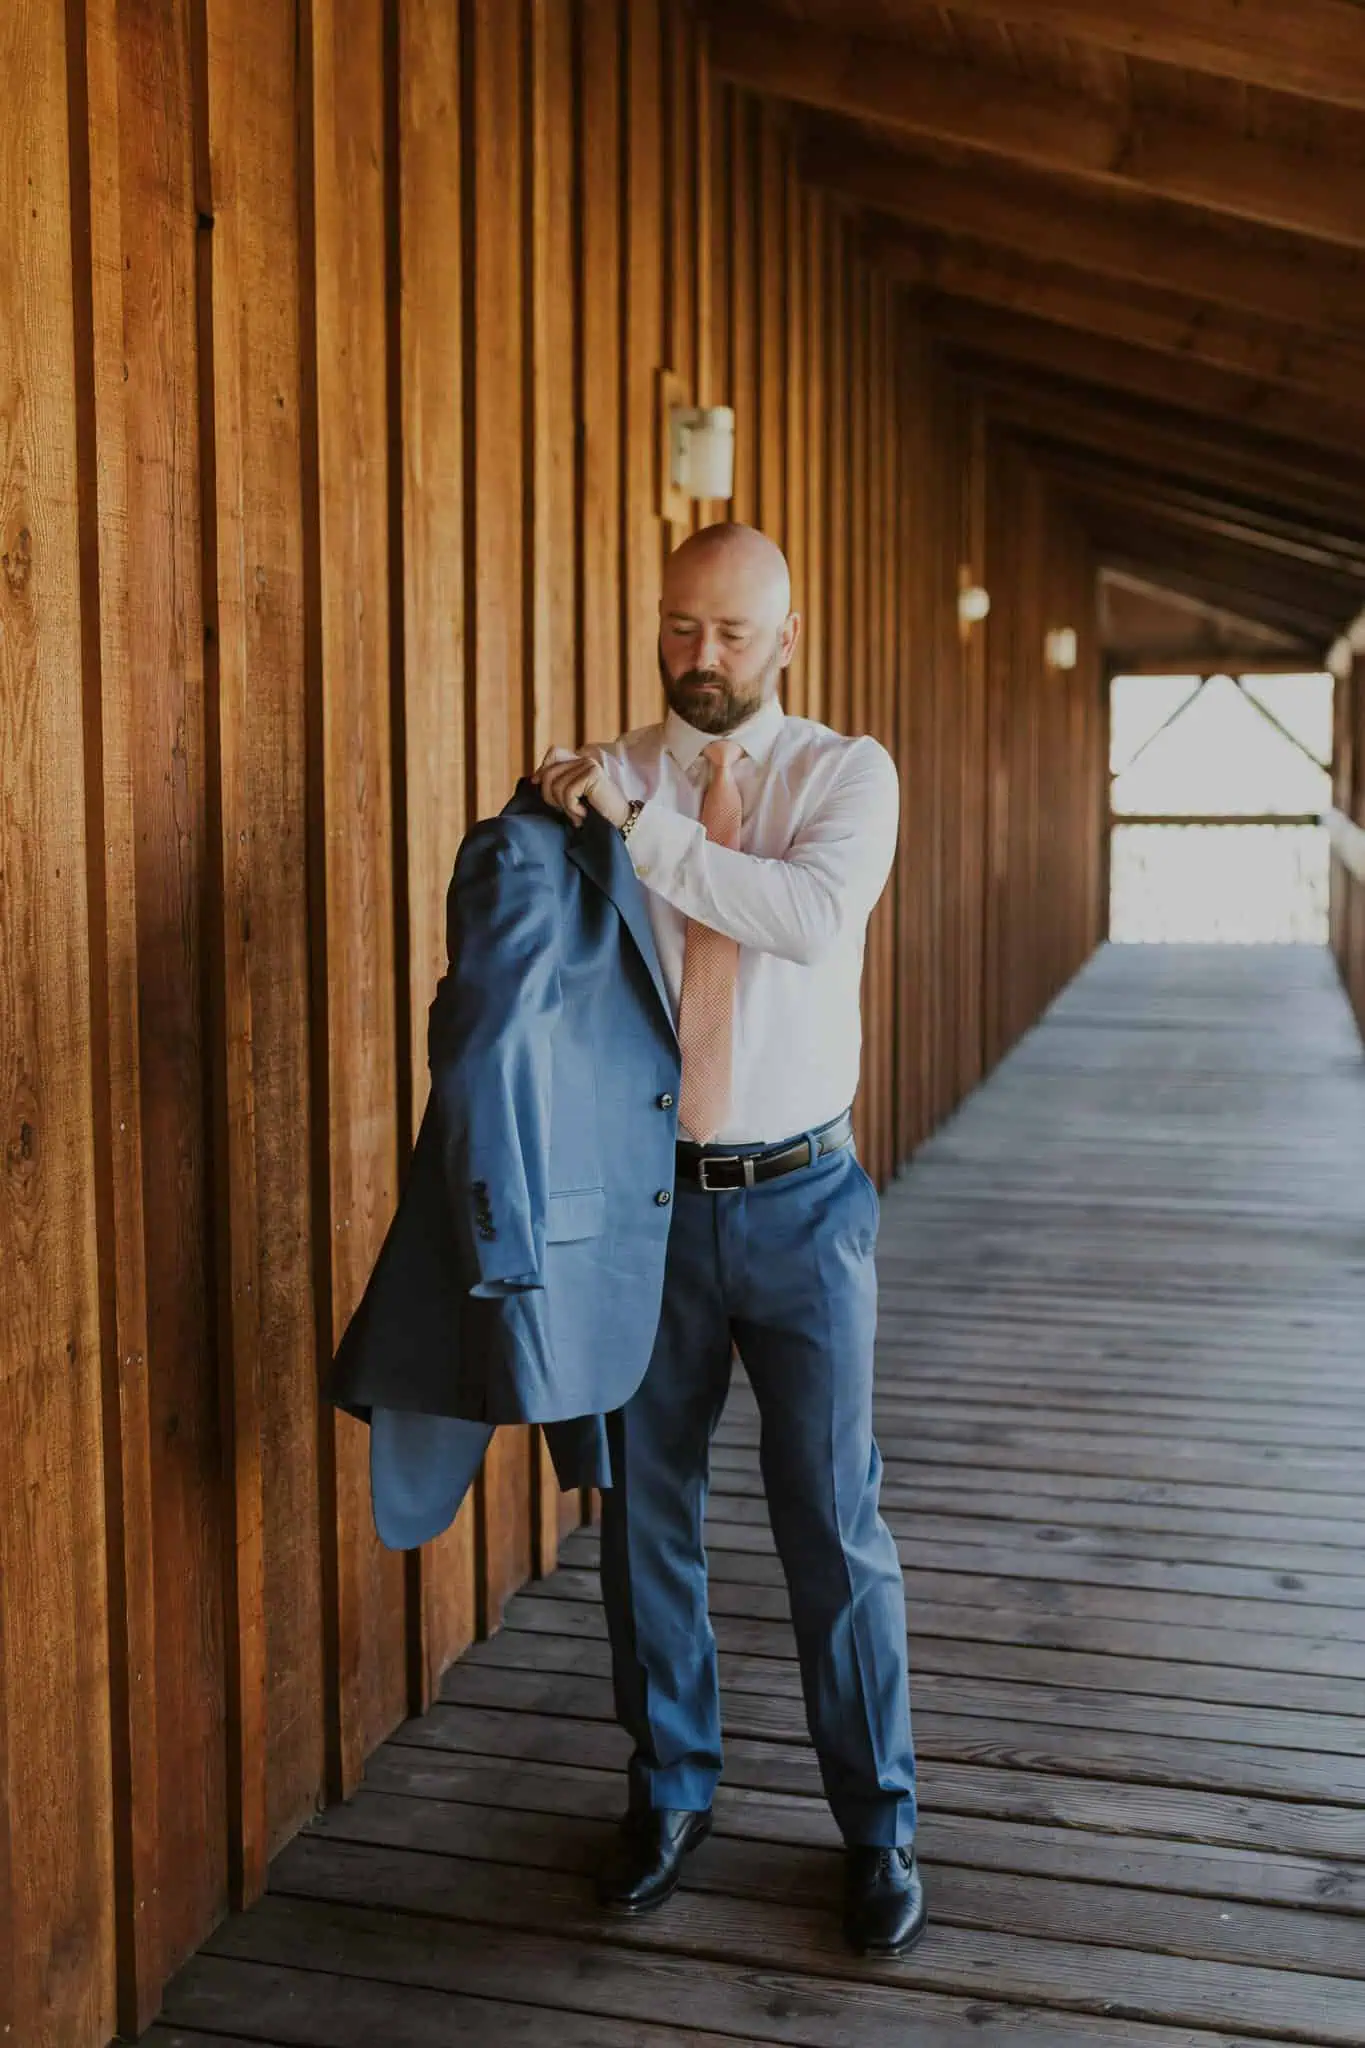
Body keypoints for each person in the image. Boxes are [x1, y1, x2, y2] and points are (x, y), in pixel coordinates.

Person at [534, 521, 923, 1958]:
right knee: (646, 1519)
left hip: (806, 1205)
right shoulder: (606, 773)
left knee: (833, 1525)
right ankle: (671, 1789)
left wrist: (642, 830)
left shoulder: (847, 773)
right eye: (680, 627)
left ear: (789, 634)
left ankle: (878, 1827)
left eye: (733, 634)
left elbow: (808, 918)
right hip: (646, 1209)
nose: (701, 659)